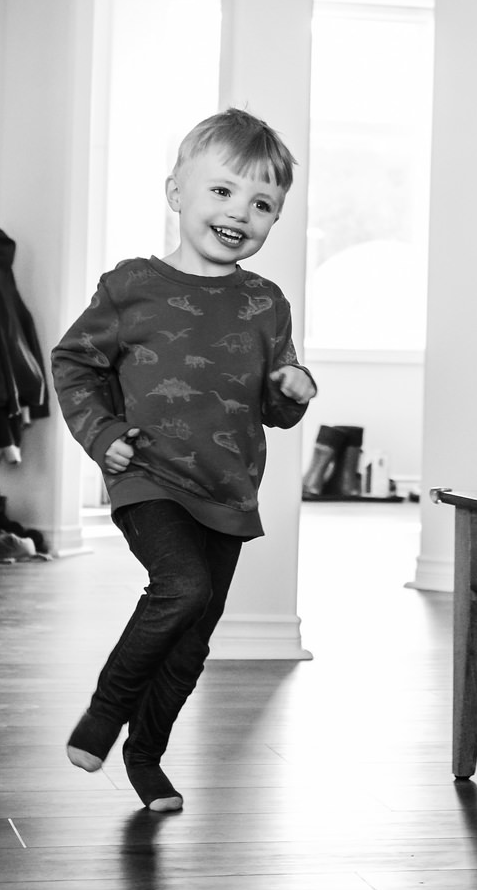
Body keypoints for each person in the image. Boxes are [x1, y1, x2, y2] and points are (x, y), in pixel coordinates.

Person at [52, 108, 317, 812]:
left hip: (227, 488)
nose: (241, 213)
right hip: (148, 474)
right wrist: (100, 432)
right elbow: (73, 363)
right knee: (183, 589)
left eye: (262, 204)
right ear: (177, 193)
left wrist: (293, 391)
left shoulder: (266, 304)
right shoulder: (132, 284)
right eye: (223, 192)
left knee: (194, 639)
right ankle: (105, 714)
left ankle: (147, 757)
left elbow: (271, 404)